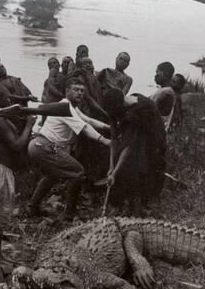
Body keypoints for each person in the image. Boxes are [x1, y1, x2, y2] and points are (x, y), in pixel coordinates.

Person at [27, 79, 111, 220]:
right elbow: (85, 128)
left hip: (39, 146)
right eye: (76, 89)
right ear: (67, 91)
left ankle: (32, 207)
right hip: (44, 146)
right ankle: (69, 214)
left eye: (82, 90)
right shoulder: (65, 108)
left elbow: (88, 121)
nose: (80, 93)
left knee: (52, 176)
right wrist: (105, 140)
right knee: (78, 172)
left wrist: (108, 127)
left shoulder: (72, 108)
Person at [0, 83, 36, 267]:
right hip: (0, 174)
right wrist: (29, 124)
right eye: (5, 98)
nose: (9, 99)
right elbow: (18, 145)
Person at [104, 88, 166, 217]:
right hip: (137, 132)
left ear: (121, 106)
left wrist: (115, 173)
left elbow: (128, 145)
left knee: (146, 166)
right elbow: (114, 139)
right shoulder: (113, 107)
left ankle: (143, 205)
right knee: (123, 162)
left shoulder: (139, 110)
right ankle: (122, 204)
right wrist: (111, 167)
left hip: (153, 135)